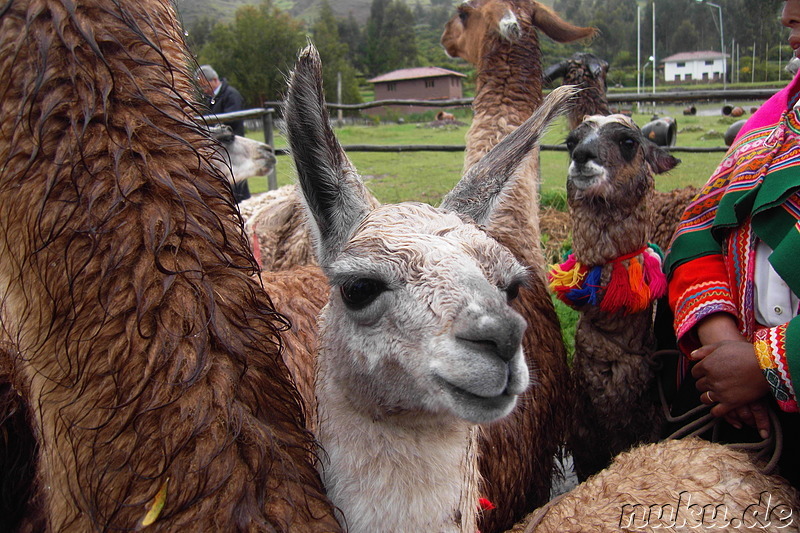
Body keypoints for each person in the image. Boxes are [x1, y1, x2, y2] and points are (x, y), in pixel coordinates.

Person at [664, 0, 800, 487]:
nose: (787, 14)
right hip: (729, 391)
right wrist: (721, 343)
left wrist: (769, 363)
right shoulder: (774, 118)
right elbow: (700, 225)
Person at [197, 65, 251, 203]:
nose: (204, 90)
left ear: (214, 80)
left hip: (233, 150)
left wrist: (213, 131)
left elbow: (231, 121)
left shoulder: (231, 95)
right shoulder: (210, 99)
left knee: (238, 188)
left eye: (205, 86)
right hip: (220, 152)